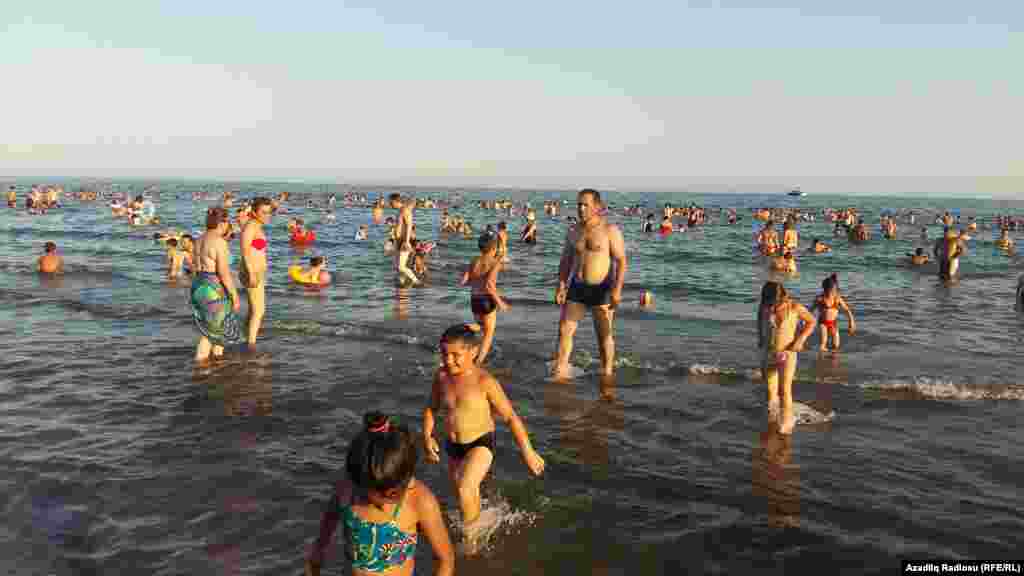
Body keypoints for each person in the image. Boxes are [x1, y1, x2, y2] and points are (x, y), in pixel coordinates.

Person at [423, 324, 544, 548]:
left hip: (480, 444)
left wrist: (528, 451)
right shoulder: (441, 377)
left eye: (455, 355)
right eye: (444, 354)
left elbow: (510, 417)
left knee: (464, 488)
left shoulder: (484, 382)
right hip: (453, 446)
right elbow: (431, 407)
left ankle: (471, 542)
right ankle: (487, 520)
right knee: (467, 495)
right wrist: (427, 436)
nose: (449, 361)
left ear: (473, 352)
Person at [305, 412, 454, 576]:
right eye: (382, 496)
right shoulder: (347, 490)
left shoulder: (420, 501)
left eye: (395, 495)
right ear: (361, 482)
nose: (384, 503)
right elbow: (329, 520)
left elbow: (445, 560)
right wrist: (317, 555)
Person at [553, 189, 627, 378]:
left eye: (585, 205)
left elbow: (621, 261)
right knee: (564, 329)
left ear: (597, 207)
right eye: (579, 204)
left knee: (603, 336)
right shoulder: (573, 231)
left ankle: (607, 372)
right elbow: (566, 260)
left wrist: (617, 290)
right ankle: (560, 370)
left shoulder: (610, 230)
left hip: (602, 289)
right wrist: (561, 286)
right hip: (577, 287)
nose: (581, 208)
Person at [757, 282, 816, 435]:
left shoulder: (794, 307)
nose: (772, 305)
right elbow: (759, 320)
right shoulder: (764, 306)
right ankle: (772, 418)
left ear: (781, 296)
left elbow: (811, 321)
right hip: (769, 352)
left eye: (774, 301)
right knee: (770, 390)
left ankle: (785, 424)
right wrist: (760, 338)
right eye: (769, 302)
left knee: (785, 390)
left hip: (787, 353)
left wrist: (800, 340)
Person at [190, 208, 242, 363]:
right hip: (213, 286)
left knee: (215, 328)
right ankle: (200, 368)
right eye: (228, 221)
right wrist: (234, 295)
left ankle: (216, 365)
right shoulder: (219, 242)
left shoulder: (199, 239)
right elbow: (224, 274)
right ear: (222, 222)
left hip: (198, 284)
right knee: (210, 333)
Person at [460, 233, 510, 365]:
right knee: (488, 334)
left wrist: (476, 282)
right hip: (487, 300)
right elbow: (489, 285)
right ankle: (478, 363)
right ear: (494, 249)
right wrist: (500, 303)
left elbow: (463, 281)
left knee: (481, 327)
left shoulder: (474, 260)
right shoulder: (495, 263)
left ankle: (467, 329)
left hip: (474, 299)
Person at [240, 197, 273, 348]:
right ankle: (251, 345)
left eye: (269, 212)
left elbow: (256, 250)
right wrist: (252, 273)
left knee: (254, 309)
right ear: (254, 212)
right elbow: (245, 250)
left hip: (256, 271)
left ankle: (244, 336)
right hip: (251, 271)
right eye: (263, 212)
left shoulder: (257, 226)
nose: (267, 215)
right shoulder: (251, 227)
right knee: (259, 311)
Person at [809, 274, 856, 352]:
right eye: (829, 291)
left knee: (836, 345)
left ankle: (832, 359)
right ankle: (821, 359)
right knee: (823, 342)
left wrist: (851, 322)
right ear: (825, 289)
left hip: (833, 323)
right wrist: (805, 321)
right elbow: (811, 310)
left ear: (835, 289)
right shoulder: (820, 299)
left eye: (834, 290)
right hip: (822, 323)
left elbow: (847, 310)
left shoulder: (837, 299)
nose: (831, 293)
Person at [388, 193, 420, 286]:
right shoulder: (400, 211)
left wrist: (406, 242)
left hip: (405, 241)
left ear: (395, 201)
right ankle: (402, 285)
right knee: (398, 267)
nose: (390, 204)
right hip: (399, 240)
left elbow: (409, 225)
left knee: (401, 267)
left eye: (391, 202)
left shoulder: (405, 210)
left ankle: (417, 282)